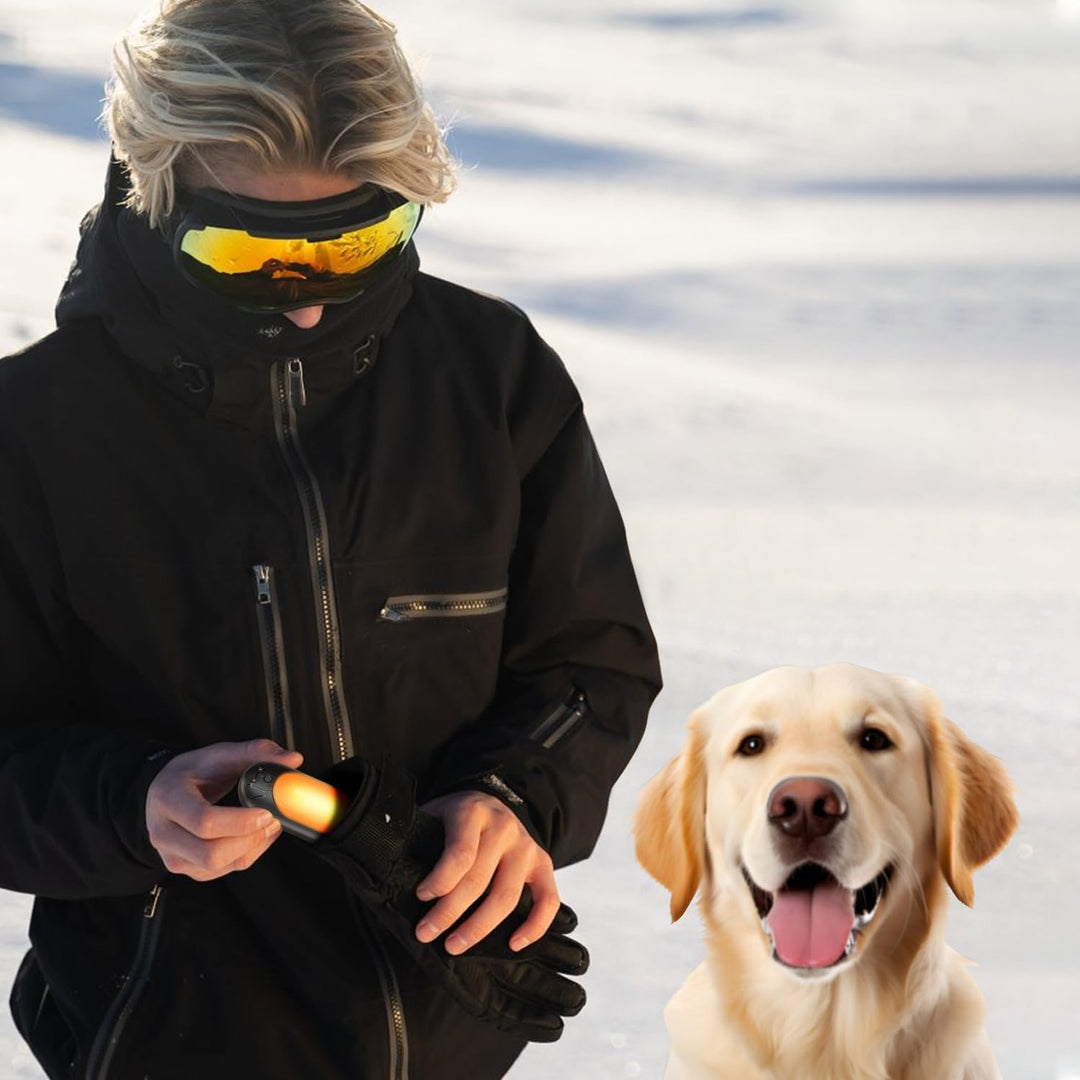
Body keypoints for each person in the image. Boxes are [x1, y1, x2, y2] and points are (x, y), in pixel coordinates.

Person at [0, 0, 661, 1077]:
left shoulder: (488, 376)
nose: (305, 301)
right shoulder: (36, 433)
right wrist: (136, 806)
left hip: (455, 1038)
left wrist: (509, 796)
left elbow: (589, 663)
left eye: (355, 240)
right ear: (154, 194)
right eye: (246, 249)